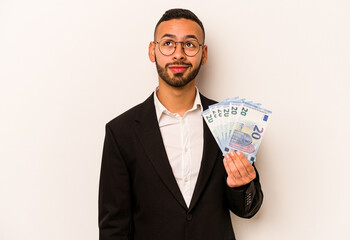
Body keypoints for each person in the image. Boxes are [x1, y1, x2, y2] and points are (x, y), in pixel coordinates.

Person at [98, 8, 263, 240]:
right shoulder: (121, 132)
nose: (178, 54)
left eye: (189, 45)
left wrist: (241, 186)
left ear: (203, 54)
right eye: (168, 43)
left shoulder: (232, 123)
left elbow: (249, 209)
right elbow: (113, 227)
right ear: (152, 51)